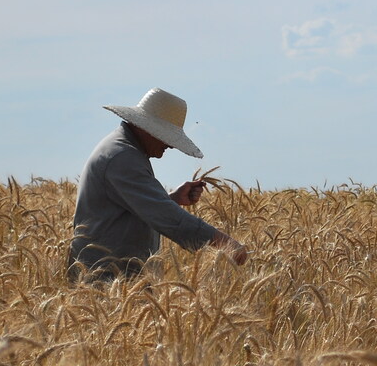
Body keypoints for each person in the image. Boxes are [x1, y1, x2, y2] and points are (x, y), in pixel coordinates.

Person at [67, 88, 249, 283]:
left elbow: (131, 210)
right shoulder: (123, 157)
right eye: (167, 137)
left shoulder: (125, 151)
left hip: (116, 283)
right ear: (146, 128)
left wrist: (171, 199)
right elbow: (168, 217)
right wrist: (225, 244)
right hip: (104, 284)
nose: (170, 145)